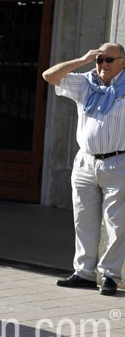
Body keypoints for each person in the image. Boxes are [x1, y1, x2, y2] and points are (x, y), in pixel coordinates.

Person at [43, 43, 125, 297]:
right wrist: (82, 60)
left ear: (122, 62)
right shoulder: (86, 82)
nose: (103, 64)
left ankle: (109, 275)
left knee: (115, 224)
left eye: (109, 59)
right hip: (86, 162)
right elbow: (49, 76)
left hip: (118, 162)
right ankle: (84, 273)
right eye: (99, 60)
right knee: (83, 220)